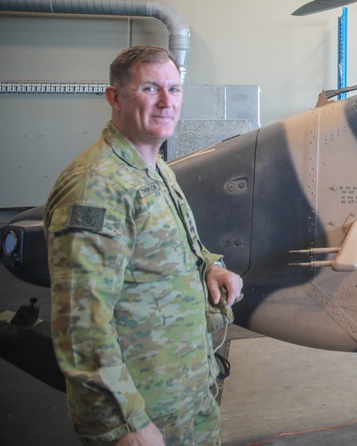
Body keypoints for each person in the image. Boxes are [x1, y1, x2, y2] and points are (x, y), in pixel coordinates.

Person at [43, 45, 243, 446]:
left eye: (175, 89)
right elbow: (82, 325)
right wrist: (123, 426)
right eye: (151, 88)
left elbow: (170, 249)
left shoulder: (155, 168)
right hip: (144, 409)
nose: (167, 101)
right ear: (115, 98)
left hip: (187, 390)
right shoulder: (98, 187)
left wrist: (210, 267)